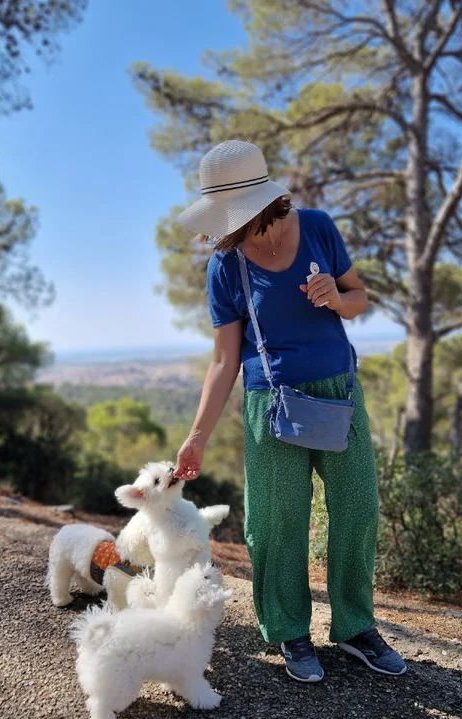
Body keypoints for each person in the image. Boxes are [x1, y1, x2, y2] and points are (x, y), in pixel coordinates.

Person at [172, 140, 406, 682]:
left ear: (264, 201)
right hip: (269, 402)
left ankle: (354, 628)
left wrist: (334, 297)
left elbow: (358, 299)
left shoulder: (319, 227)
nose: (228, 228)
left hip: (338, 389)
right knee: (277, 524)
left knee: (358, 508)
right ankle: (289, 632)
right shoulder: (225, 265)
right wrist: (196, 437)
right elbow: (224, 359)